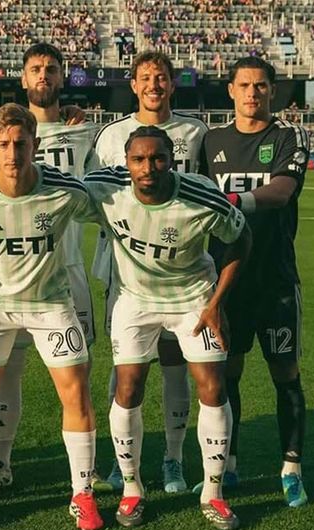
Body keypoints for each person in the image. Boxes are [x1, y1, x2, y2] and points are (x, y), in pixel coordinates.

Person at [0, 103, 102, 530]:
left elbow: (112, 211)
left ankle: (82, 493)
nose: (13, 153)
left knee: (76, 392)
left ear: (36, 144)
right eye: (4, 144)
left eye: (21, 143)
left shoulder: (65, 190)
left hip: (51, 305)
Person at [83, 126, 251, 530]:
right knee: (128, 388)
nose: (148, 167)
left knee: (213, 386)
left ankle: (213, 493)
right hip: (135, 300)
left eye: (157, 158)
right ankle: (132, 488)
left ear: (171, 160)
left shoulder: (200, 195)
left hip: (193, 298)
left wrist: (216, 304)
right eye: (139, 159)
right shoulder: (102, 188)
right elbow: (53, 193)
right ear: (126, 162)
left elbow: (241, 239)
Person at [87, 51, 210, 493]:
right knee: (126, 370)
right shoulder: (109, 136)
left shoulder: (195, 133)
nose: (154, 84)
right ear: (133, 85)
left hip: (181, 275)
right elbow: (93, 196)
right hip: (126, 272)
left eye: (161, 77)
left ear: (172, 84)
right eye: (145, 78)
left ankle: (174, 460)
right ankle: (125, 465)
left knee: (177, 367)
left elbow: (205, 200)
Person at [0, 42, 100, 493]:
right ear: (23, 77)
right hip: (12, 273)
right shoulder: (4, 133)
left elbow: (102, 192)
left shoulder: (82, 133)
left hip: (67, 269)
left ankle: (84, 469)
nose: (44, 76)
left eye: (52, 69)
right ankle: (1, 460)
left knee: (77, 375)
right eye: (36, 69)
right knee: (7, 372)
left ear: (62, 77)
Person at [200, 56, 311, 508]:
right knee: (228, 376)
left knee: (285, 375)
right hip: (229, 283)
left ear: (272, 90)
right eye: (244, 85)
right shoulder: (211, 141)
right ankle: (229, 462)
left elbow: (282, 192)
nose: (252, 93)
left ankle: (291, 468)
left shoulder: (287, 135)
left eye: (261, 86)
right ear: (230, 90)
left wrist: (228, 198)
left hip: (276, 281)